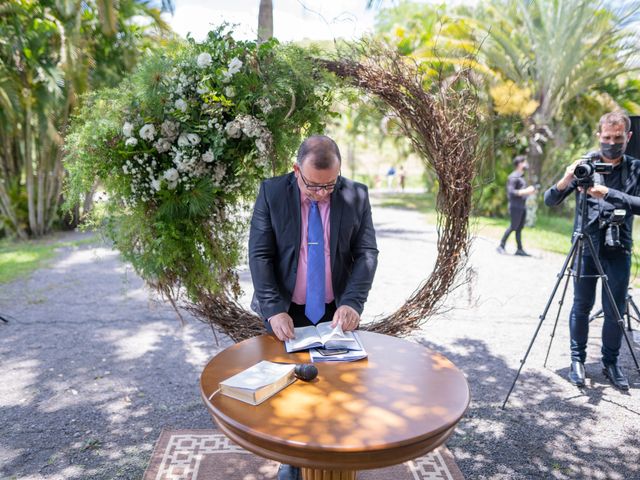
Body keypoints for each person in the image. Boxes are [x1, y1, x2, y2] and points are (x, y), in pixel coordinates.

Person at [248, 135, 379, 479]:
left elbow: (367, 253)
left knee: (339, 390)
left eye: (329, 185)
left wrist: (352, 301)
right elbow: (260, 255)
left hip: (336, 312)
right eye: (313, 186)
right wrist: (273, 308)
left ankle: (336, 465)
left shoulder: (356, 195)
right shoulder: (272, 192)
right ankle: (292, 465)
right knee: (290, 394)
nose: (322, 194)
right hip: (285, 310)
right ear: (296, 171)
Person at [544, 111, 638, 391]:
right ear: (599, 136)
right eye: (607, 137)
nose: (611, 142)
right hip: (586, 246)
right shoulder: (585, 165)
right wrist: (565, 179)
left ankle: (611, 363)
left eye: (618, 137)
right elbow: (551, 200)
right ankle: (577, 361)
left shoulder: (635, 168)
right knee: (581, 306)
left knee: (615, 310)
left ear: (628, 137)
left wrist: (605, 193)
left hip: (619, 247)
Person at [497, 155, 536, 256]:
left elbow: (522, 192)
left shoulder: (521, 176)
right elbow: (511, 192)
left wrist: (529, 192)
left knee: (519, 228)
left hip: (522, 206)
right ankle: (501, 246)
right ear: (519, 164)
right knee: (513, 226)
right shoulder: (513, 176)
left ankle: (519, 249)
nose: (526, 164)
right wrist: (526, 191)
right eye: (525, 162)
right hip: (515, 206)